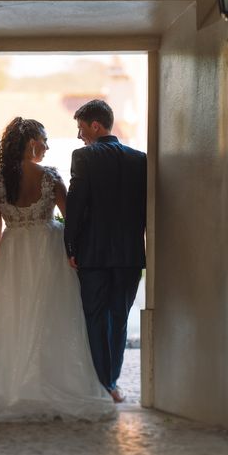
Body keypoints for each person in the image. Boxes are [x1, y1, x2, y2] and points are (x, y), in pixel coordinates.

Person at [0, 117, 116, 422]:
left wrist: (2, 263)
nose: (47, 146)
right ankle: (51, 382)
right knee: (53, 316)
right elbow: (72, 223)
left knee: (16, 318)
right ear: (31, 143)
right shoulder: (50, 178)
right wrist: (74, 255)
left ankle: (18, 386)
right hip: (47, 253)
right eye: (44, 139)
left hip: (13, 253)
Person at [65, 100, 147, 403]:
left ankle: (104, 384)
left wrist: (70, 245)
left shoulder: (84, 157)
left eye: (81, 128)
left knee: (96, 317)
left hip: (93, 253)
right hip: (129, 255)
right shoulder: (141, 160)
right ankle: (111, 381)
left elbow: (76, 204)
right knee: (119, 318)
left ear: (95, 126)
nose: (79, 136)